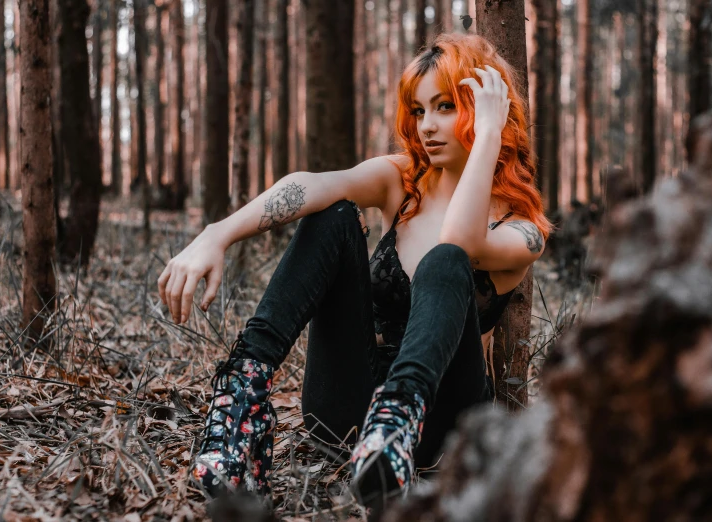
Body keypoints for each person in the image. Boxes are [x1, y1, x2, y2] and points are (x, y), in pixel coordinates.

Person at [157, 33, 552, 510]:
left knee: (446, 260)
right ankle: (240, 402)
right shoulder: (403, 181)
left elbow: (460, 243)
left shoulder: (521, 228)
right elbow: (313, 185)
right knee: (333, 212)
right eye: (419, 110)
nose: (427, 125)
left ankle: (397, 422)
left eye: (445, 106)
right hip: (349, 405)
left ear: (484, 109)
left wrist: (489, 136)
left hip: (441, 422)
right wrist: (216, 234)